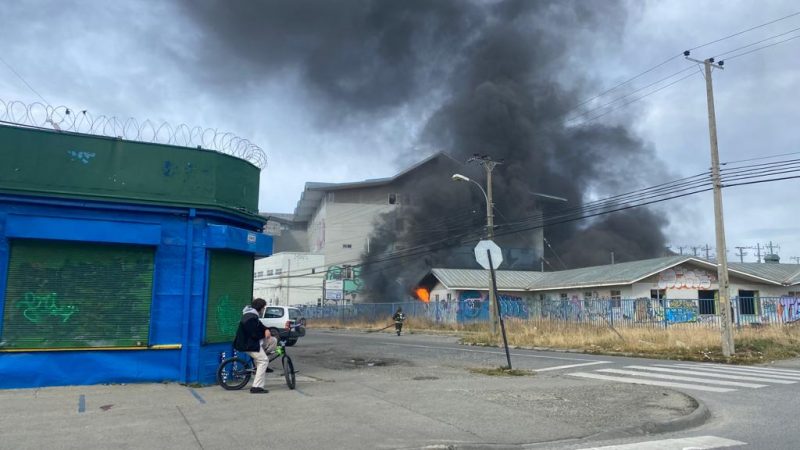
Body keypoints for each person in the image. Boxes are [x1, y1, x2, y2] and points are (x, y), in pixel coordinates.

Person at [233, 298, 271, 394]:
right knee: (264, 360)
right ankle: (256, 387)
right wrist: (264, 334)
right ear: (260, 308)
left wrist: (266, 329)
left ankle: (259, 363)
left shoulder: (252, 315)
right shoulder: (250, 317)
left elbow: (260, 326)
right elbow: (254, 334)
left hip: (250, 342)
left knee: (273, 340)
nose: (263, 310)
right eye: (263, 308)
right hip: (248, 344)